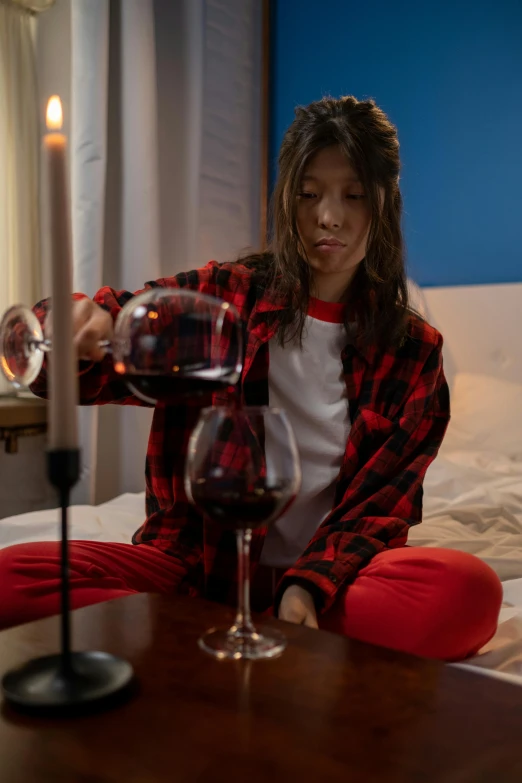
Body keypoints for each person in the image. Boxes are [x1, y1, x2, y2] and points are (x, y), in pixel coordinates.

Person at [0, 96, 502, 660]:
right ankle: (253, 638)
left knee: (468, 593)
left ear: (385, 205)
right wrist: (66, 327)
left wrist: (304, 586)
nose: (328, 217)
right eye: (308, 195)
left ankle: (221, 635)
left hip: (331, 584)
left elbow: (380, 509)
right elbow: (103, 343)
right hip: (196, 566)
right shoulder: (220, 298)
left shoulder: (414, 353)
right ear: (286, 200)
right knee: (11, 577)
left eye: (353, 195)